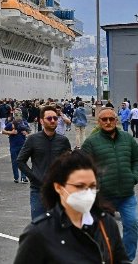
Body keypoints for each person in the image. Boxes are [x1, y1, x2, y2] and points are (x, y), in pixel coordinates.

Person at [13, 150, 130, 264]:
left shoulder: (105, 223)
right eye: (79, 186)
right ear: (59, 188)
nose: (87, 192)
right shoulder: (38, 233)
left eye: (92, 186)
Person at [81, 107, 138, 261]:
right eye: (104, 119)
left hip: (127, 195)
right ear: (98, 122)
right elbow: (82, 166)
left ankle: (126, 259)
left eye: (111, 119)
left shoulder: (128, 139)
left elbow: (136, 160)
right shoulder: (91, 142)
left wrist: (134, 177)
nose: (108, 122)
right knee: (104, 232)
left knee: (133, 226)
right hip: (103, 198)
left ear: (116, 120)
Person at [17, 105, 72, 220]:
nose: (53, 120)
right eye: (49, 118)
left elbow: (69, 163)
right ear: (41, 121)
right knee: (39, 224)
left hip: (59, 191)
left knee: (60, 225)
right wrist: (34, 177)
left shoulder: (63, 141)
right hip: (38, 190)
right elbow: (20, 161)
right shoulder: (33, 139)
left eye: (55, 118)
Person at [2, 109, 30, 183]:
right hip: (13, 145)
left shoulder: (24, 123)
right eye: (16, 114)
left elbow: (29, 131)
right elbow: (3, 131)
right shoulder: (11, 124)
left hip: (22, 145)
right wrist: (11, 132)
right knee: (14, 162)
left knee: (23, 161)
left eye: (19, 114)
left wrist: (26, 133)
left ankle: (23, 177)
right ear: (14, 115)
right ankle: (16, 177)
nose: (18, 115)